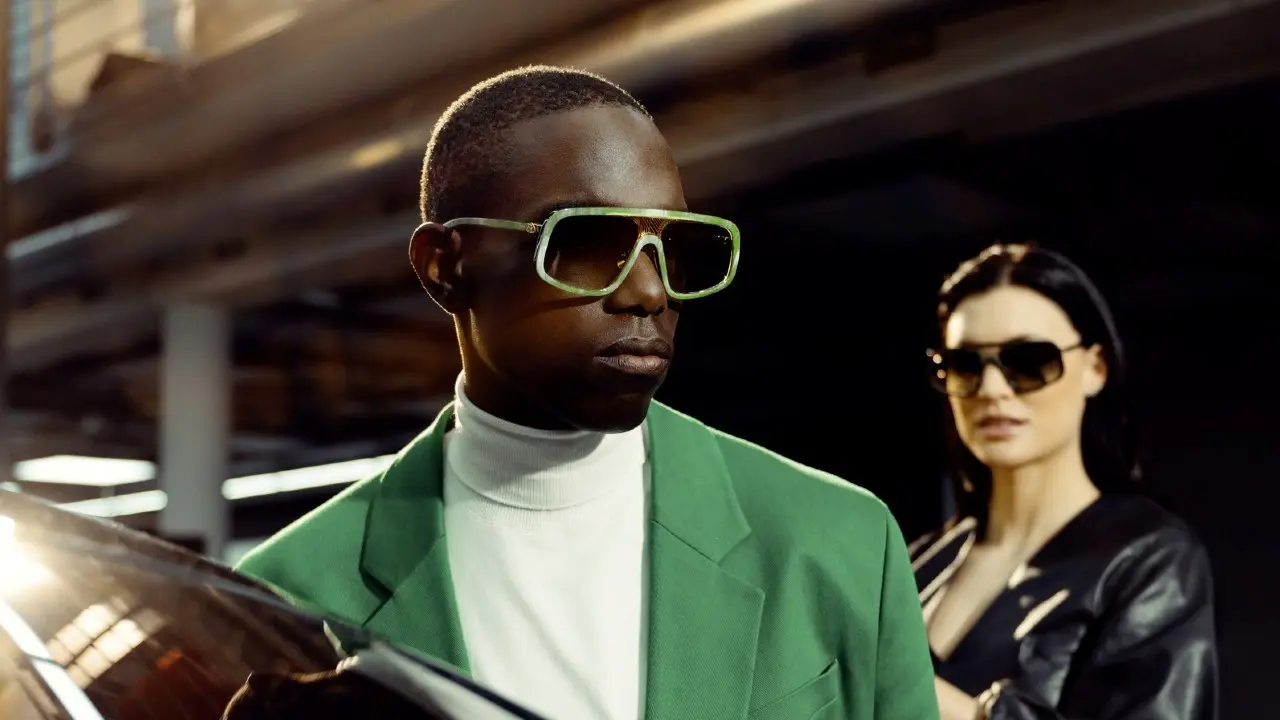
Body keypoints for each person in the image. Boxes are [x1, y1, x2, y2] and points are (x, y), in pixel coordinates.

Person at [236, 65, 938, 720]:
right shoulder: (289, 597)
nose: (650, 291)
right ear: (445, 267)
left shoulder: (840, 542)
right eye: (587, 243)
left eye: (674, 248)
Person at [914, 243, 1217, 720]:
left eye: (1028, 361)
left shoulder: (1149, 560)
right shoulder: (919, 563)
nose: (992, 389)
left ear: (1095, 368)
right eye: (965, 365)